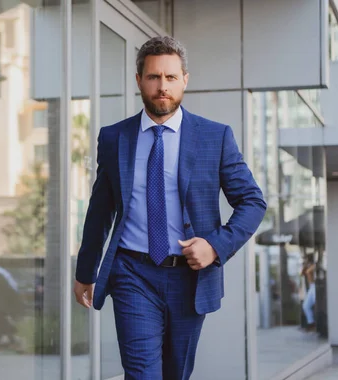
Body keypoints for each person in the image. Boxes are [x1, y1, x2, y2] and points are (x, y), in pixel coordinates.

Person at [73, 36, 267, 379]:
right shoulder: (114, 138)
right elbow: (100, 208)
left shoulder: (214, 137)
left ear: (184, 80)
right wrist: (85, 270)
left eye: (171, 77)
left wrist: (214, 246)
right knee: (141, 373)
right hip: (132, 273)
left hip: (189, 278)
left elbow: (252, 202)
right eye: (153, 77)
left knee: (176, 372)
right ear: (139, 80)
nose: (162, 86)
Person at [301, 255, 316, 332]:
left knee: (317, 305)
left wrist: (308, 266)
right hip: (311, 287)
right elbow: (302, 273)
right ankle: (311, 323)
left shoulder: (315, 265)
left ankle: (316, 324)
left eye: (306, 259)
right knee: (305, 305)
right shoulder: (308, 266)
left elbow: (308, 271)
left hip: (316, 287)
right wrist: (305, 265)